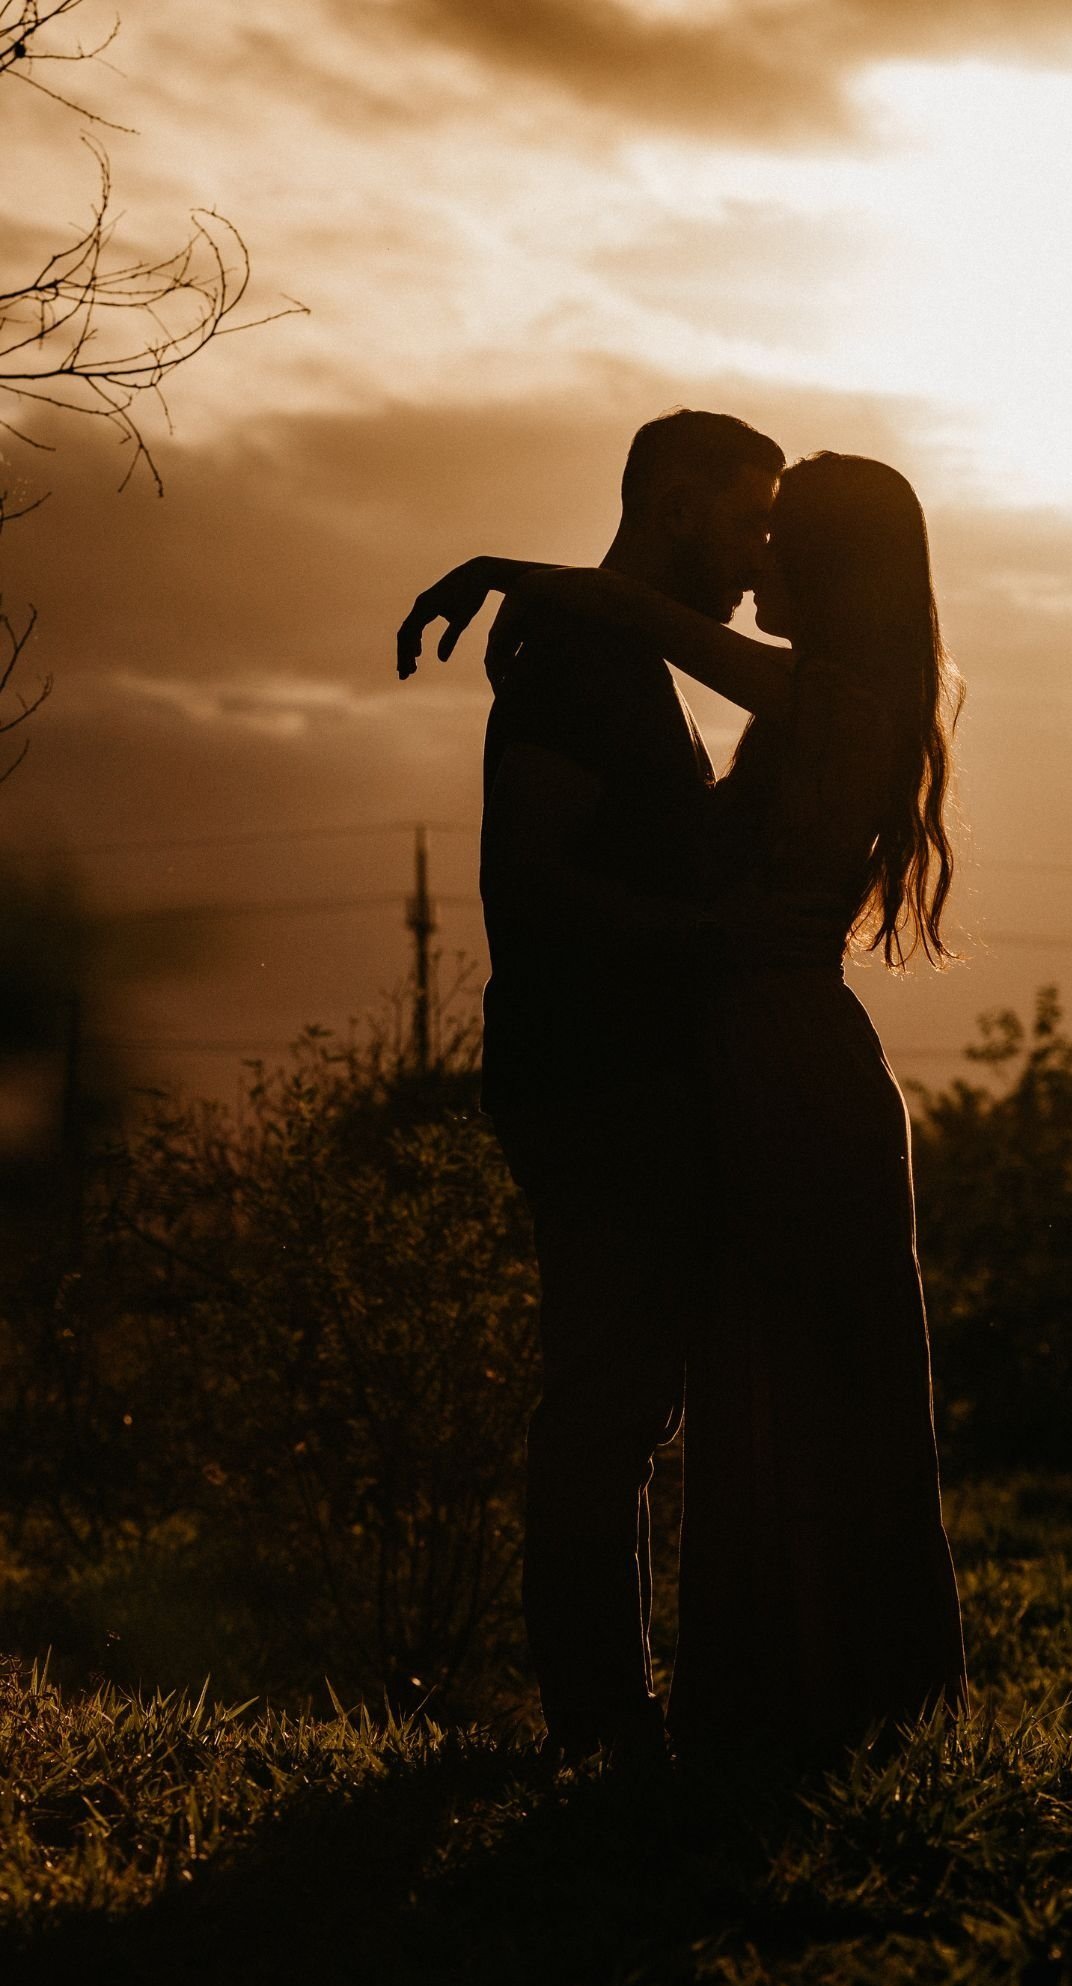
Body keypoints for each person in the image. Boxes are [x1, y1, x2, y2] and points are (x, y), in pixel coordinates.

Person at [466, 452, 969, 1759]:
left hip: (786, 1051)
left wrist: (512, 577)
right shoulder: (840, 694)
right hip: (763, 1047)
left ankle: (814, 1698)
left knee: (797, 1370)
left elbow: (646, 618)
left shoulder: (836, 695)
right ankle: (797, 1694)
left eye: (784, 535)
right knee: (773, 1373)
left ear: (838, 564)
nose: (761, 562)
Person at [397, 409, 836, 1772]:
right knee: (606, 1402)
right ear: (675, 501)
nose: (764, 543)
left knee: (627, 1400)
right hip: (590, 1079)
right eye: (751, 512)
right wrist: (710, 942)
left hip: (619, 1073)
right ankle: (600, 1724)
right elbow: (529, 881)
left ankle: (617, 1717)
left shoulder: (613, 647)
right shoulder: (585, 662)